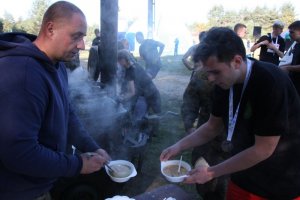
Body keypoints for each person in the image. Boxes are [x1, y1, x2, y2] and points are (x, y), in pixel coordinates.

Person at [161, 27, 300, 199]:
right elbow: (212, 126)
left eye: (215, 72)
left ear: (236, 61)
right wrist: (179, 146)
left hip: (276, 183)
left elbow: (263, 149)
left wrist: (211, 172)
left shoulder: (270, 82)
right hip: (242, 174)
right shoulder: (223, 83)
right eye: (208, 73)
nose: (210, 79)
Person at [0, 1, 110, 200]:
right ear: (50, 29)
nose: (82, 45)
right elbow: (19, 153)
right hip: (18, 192)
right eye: (76, 36)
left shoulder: (57, 65)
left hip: (40, 182)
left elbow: (67, 114)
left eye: (83, 37)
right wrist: (78, 164)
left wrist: (92, 147)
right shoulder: (23, 74)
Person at [117, 49, 161, 124]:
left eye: (119, 60)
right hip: (153, 92)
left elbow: (132, 92)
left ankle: (146, 131)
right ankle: (151, 130)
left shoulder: (129, 71)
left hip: (146, 96)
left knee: (137, 121)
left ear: (124, 59)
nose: (118, 63)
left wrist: (121, 98)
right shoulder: (136, 65)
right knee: (156, 116)